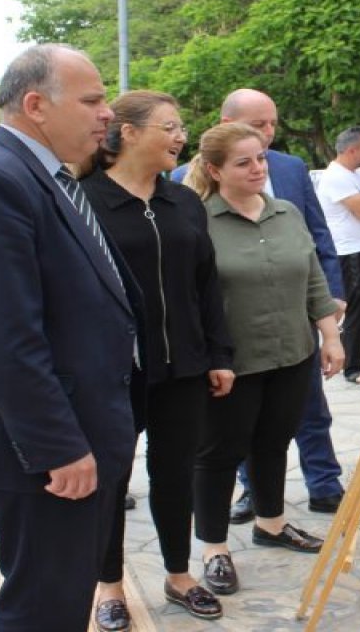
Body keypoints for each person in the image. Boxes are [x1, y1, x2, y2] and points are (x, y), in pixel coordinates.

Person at [0, 44, 140, 631]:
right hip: (37, 457)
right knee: (44, 606)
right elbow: (1, 334)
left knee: (61, 596)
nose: (107, 115)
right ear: (36, 105)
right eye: (92, 100)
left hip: (70, 432)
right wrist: (57, 445)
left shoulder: (40, 173)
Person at [174, 89, 360, 523]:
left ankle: (324, 485)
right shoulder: (184, 190)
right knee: (235, 432)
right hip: (236, 339)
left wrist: (332, 299)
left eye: (271, 125)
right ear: (227, 123)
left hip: (293, 321)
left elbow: (315, 237)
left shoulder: (288, 171)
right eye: (256, 125)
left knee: (307, 412)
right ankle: (251, 496)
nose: (267, 136)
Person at [81, 91, 234, 628]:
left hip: (184, 368)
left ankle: (178, 575)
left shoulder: (184, 202)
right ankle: (109, 585)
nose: (180, 137)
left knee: (174, 474)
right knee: (112, 480)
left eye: (181, 127)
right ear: (126, 132)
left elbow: (206, 285)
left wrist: (218, 354)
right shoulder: (83, 200)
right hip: (114, 373)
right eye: (169, 127)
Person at [183, 121, 344, 596]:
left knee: (274, 443)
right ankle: (214, 548)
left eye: (261, 159)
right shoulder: (198, 222)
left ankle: (270, 525)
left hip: (291, 355)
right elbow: (190, 298)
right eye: (243, 162)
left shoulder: (287, 212)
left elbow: (313, 277)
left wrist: (330, 336)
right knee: (218, 454)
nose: (257, 168)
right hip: (231, 364)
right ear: (214, 170)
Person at [317, 127, 360, 386]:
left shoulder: (355, 174)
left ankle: (345, 345)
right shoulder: (336, 176)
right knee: (359, 307)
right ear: (351, 150)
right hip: (350, 251)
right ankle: (353, 369)